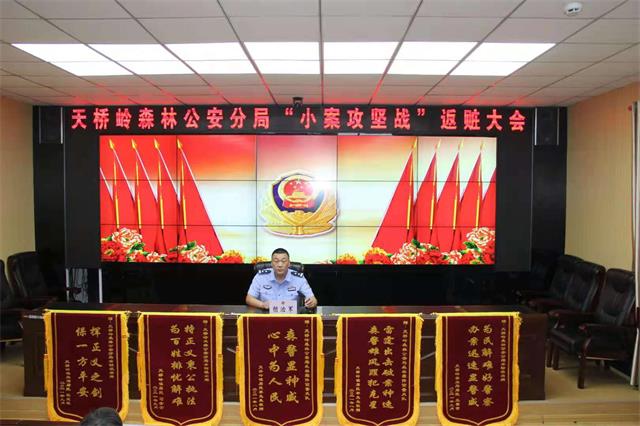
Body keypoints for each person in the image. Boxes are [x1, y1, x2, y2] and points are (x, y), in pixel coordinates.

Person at [246, 248, 318, 310]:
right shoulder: (261, 277)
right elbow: (249, 299)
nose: (280, 265)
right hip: (266, 315)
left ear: (289, 263)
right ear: (271, 263)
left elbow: (313, 300)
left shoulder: (298, 278)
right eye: (276, 261)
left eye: (283, 261)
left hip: (291, 317)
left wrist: (312, 302)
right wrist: (262, 305)